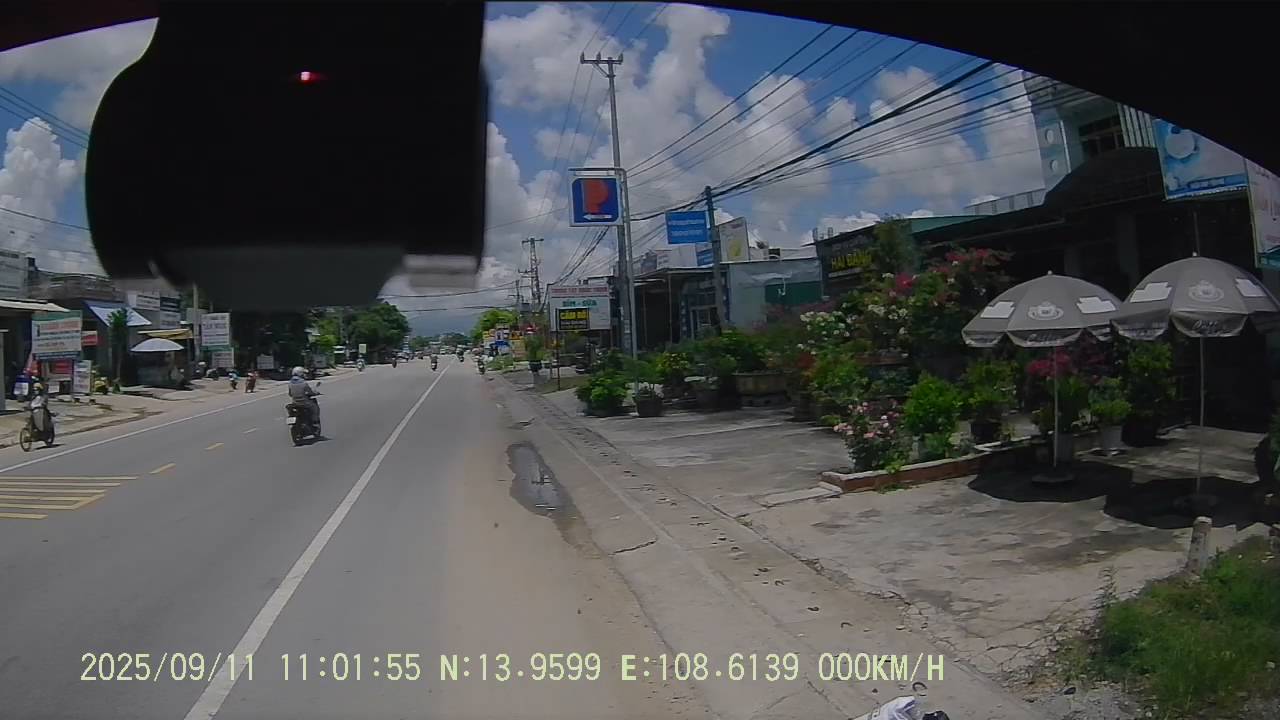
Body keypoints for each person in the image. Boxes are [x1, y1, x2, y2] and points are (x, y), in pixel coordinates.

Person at [287, 366, 320, 431]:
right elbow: (310, 392)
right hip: (305, 403)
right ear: (300, 373)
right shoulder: (303, 383)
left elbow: (290, 394)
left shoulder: (290, 383)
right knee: (315, 407)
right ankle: (315, 422)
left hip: (295, 403)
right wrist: (315, 393)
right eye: (303, 373)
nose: (304, 375)